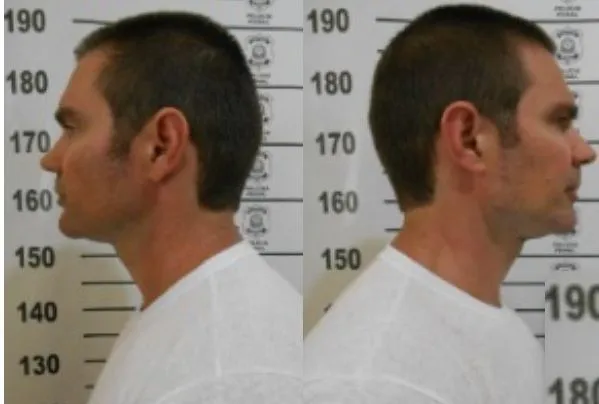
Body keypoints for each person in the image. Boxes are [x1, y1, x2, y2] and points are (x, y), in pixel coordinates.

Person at [304, 4, 596, 404]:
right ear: (469, 139)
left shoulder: (494, 326)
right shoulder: (370, 383)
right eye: (559, 121)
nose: (584, 152)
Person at [40, 11, 301, 404]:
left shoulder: (225, 375)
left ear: (161, 146)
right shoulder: (193, 324)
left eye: (72, 128)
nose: (50, 159)